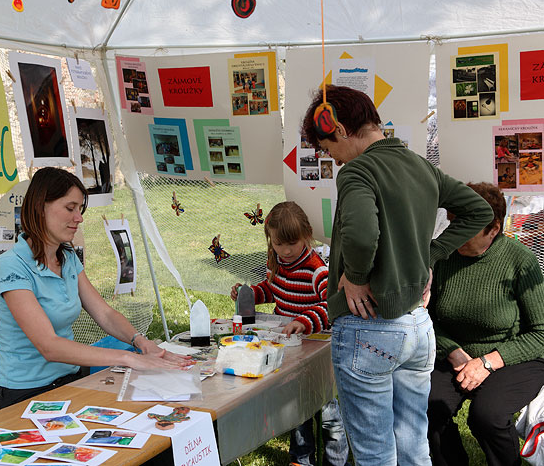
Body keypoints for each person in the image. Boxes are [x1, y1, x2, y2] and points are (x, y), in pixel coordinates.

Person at [300, 85, 493, 466]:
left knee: (375, 452)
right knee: (413, 445)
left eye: (327, 149)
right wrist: (430, 256)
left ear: (336, 128)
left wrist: (355, 275)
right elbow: (479, 211)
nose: (333, 159)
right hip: (418, 328)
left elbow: (359, 234)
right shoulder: (421, 166)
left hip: (368, 326)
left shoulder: (358, 171)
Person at [0, 167, 190, 409]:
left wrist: (140, 342)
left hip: (69, 380)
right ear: (40, 206)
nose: (79, 218)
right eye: (70, 208)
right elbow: (49, 346)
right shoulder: (11, 265)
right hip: (26, 393)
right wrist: (127, 357)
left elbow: (104, 313)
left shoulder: (66, 257)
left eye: (80, 209)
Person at [427, 182, 544, 466]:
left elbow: (541, 334)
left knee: (487, 416)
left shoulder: (521, 262)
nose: (455, 237)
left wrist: (489, 362)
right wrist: (452, 351)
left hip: (513, 356)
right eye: (453, 226)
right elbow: (426, 317)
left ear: (493, 229)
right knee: (426, 409)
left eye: (465, 231)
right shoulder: (443, 256)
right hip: (456, 354)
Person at [230, 201, 349, 466]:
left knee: (328, 413)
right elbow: (274, 289)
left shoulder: (316, 269)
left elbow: (332, 304)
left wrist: (305, 321)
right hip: (291, 349)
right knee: (297, 408)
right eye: (278, 244)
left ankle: (335, 462)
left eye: (291, 244)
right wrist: (249, 295)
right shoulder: (277, 263)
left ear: (306, 235)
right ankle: (301, 458)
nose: (285, 251)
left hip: (318, 351)